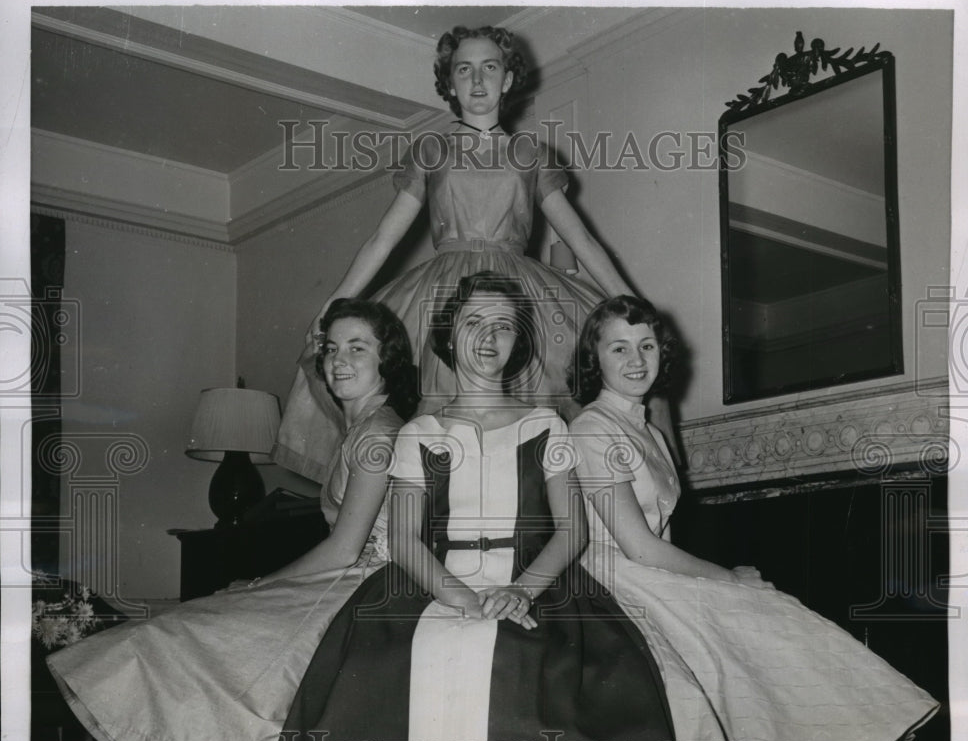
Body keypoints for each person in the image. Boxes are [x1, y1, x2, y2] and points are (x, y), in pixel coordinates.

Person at [268, 274, 685, 741]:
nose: (488, 337)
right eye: (473, 322)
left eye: (503, 325)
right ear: (448, 334)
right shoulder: (418, 433)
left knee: (506, 656)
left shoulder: (548, 426)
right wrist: (454, 593)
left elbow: (571, 531)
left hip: (530, 579)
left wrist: (522, 589)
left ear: (519, 341)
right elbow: (405, 538)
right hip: (434, 579)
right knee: (428, 651)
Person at [45, 300, 420, 741]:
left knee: (183, 633)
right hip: (343, 583)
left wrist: (259, 584)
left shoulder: (380, 435)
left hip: (364, 592)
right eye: (332, 348)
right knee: (183, 633)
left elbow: (347, 549)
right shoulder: (361, 425)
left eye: (358, 348)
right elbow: (316, 364)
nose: (338, 360)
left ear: (387, 360)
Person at [567, 295, 943, 741]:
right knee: (770, 624)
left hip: (649, 577)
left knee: (769, 631)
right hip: (614, 590)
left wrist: (721, 583)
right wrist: (727, 580)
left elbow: (660, 542)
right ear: (594, 357)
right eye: (619, 347)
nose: (636, 358)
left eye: (646, 345)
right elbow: (638, 545)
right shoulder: (593, 431)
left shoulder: (642, 425)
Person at [273, 24, 672, 486]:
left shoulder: (530, 154)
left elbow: (582, 240)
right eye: (464, 70)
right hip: (443, 295)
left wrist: (634, 307)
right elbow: (383, 238)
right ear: (449, 83)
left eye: (489, 68)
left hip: (522, 293)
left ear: (507, 80)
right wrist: (334, 304)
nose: (477, 80)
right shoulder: (432, 150)